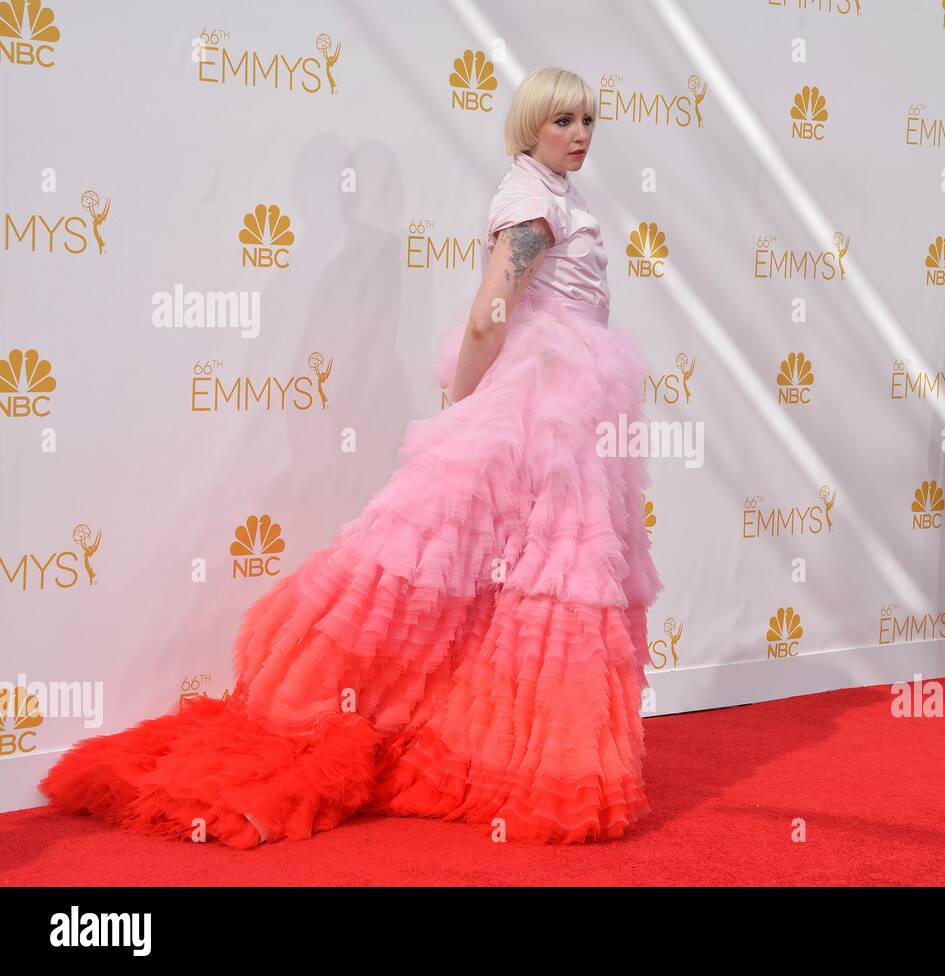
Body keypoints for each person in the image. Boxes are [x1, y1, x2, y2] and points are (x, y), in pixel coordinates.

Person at [39, 67, 663, 846]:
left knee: (522, 579)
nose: (580, 133)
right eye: (563, 119)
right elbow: (486, 318)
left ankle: (501, 746)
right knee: (474, 570)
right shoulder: (531, 202)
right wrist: (468, 412)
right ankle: (409, 725)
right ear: (530, 126)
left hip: (562, 409)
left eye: (588, 119)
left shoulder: (555, 198)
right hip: (534, 404)